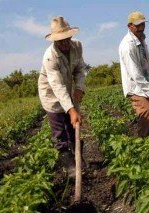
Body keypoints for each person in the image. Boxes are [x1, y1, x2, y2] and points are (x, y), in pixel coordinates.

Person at [38, 16, 86, 175]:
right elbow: (57, 86)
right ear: (55, 41)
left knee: (73, 127)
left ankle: (78, 160)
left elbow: (80, 69)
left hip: (68, 88)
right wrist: (72, 110)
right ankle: (69, 166)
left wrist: (79, 88)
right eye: (60, 40)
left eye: (67, 39)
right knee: (60, 130)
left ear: (71, 36)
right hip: (51, 94)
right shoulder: (50, 56)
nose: (65, 43)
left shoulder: (77, 46)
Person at [119, 11, 149, 137]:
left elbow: (144, 59)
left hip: (144, 81)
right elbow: (135, 73)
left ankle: (146, 137)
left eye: (143, 24)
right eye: (138, 25)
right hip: (135, 86)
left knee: (147, 112)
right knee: (146, 110)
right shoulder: (127, 46)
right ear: (130, 26)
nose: (141, 27)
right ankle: (143, 143)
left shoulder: (141, 38)